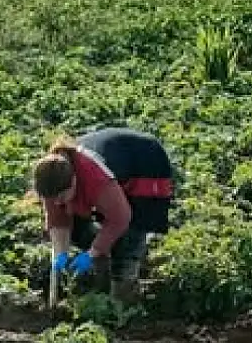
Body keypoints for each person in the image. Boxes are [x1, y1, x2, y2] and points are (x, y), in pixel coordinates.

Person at [31, 127, 175, 303]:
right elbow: (58, 222)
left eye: (61, 197)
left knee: (129, 234)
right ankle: (103, 267)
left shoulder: (96, 180)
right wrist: (60, 255)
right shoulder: (51, 178)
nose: (57, 203)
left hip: (145, 162)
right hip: (113, 158)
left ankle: (124, 293)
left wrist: (92, 253)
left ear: (74, 182)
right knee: (80, 228)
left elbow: (120, 218)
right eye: (52, 199)